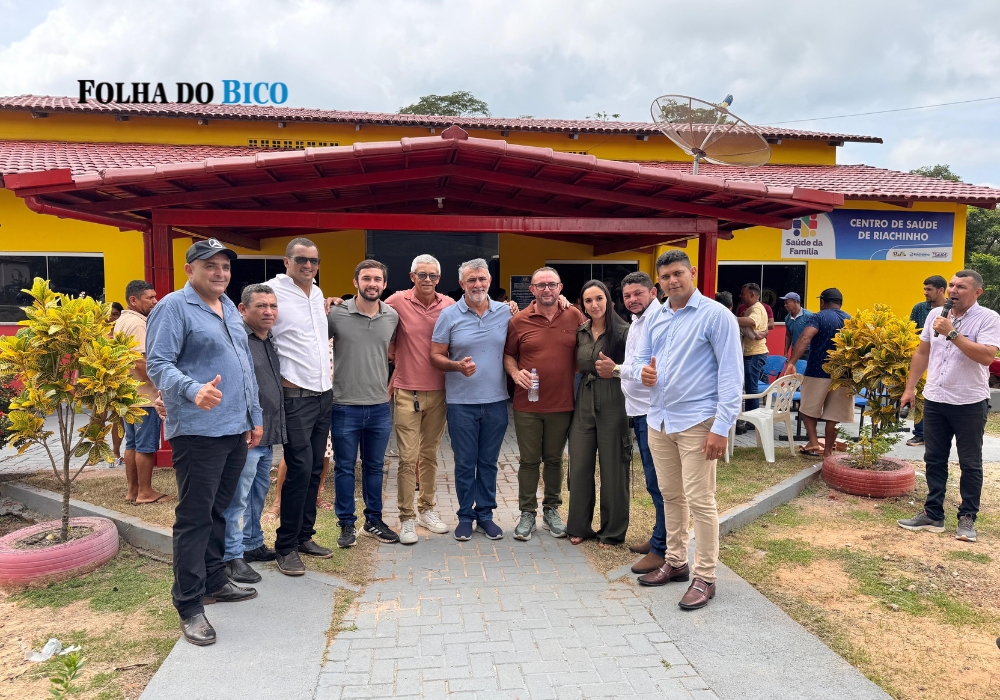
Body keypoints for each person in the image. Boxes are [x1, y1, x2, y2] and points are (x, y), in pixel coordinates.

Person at [146, 238, 263, 647]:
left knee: (219, 509)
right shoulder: (173, 308)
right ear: (189, 269)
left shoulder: (229, 306)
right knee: (195, 518)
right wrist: (193, 389)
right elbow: (157, 363)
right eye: (210, 265)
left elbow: (245, 366)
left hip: (234, 428)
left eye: (225, 266)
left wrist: (254, 415)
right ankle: (190, 604)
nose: (220, 272)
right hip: (198, 431)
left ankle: (215, 580)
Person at [625, 250, 742, 610]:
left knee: (701, 500)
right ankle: (676, 561)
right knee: (671, 495)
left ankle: (705, 577)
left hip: (698, 422)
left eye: (678, 274)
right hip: (659, 420)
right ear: (658, 281)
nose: (672, 281)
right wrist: (642, 372)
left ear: (692, 272)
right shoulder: (657, 316)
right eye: (665, 277)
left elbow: (731, 375)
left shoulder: (716, 316)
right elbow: (641, 359)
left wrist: (721, 427)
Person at [898, 270, 1000, 543]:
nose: (953, 290)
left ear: (977, 292)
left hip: (969, 401)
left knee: (970, 462)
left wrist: (952, 333)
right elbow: (923, 351)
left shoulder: (988, 318)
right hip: (935, 398)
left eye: (961, 287)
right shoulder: (935, 314)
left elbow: (987, 356)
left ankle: (967, 518)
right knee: (934, 458)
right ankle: (933, 514)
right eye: (952, 285)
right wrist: (910, 388)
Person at [267, 238, 335, 576]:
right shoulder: (272, 292)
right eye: (301, 259)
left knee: (314, 468)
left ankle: (305, 535)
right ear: (286, 261)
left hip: (323, 394)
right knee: (298, 468)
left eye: (314, 260)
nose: (308, 265)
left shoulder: (318, 293)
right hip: (294, 396)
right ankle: (286, 546)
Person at [430, 259, 512, 541]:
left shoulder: (506, 312)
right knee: (465, 463)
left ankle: (485, 515)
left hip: (496, 401)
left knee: (488, 462)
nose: (478, 285)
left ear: (489, 281)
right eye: (471, 280)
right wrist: (456, 366)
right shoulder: (449, 315)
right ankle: (465, 516)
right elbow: (435, 355)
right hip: (461, 403)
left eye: (482, 279)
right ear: (462, 284)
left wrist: (562, 300)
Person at [504, 267, 585, 541]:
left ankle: (552, 510)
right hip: (527, 405)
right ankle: (527, 513)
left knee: (554, 460)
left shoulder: (574, 315)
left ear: (560, 287)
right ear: (532, 290)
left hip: (562, 404)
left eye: (552, 284)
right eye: (541, 285)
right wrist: (515, 373)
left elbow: (589, 343)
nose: (547, 289)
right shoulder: (518, 320)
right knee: (529, 461)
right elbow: (508, 355)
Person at [328, 260, 400, 547]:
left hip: (379, 405)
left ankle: (374, 520)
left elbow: (397, 352)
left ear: (384, 284)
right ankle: (346, 524)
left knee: (374, 467)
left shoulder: (391, 316)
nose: (372, 283)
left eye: (377, 279)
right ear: (355, 282)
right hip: (344, 404)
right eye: (366, 278)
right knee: (345, 468)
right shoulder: (336, 313)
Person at [384, 255, 454, 545]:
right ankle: (406, 517)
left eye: (432, 275)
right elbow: (372, 319)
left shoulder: (449, 304)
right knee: (407, 458)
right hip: (406, 391)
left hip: (439, 391)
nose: (427, 280)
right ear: (412, 276)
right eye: (422, 275)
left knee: (429, 456)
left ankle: (427, 510)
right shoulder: (396, 301)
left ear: (439, 278)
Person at [220, 284, 286, 584]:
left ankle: (252, 543)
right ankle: (231, 556)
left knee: (257, 493)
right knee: (237, 497)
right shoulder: (236, 339)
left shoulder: (269, 339)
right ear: (242, 309)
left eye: (273, 306)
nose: (268, 311)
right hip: (246, 434)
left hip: (267, 433)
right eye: (261, 306)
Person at [566, 280, 630, 547]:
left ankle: (612, 530)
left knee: (613, 466)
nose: (594, 305)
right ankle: (579, 525)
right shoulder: (581, 332)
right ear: (582, 305)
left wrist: (617, 369)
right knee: (579, 463)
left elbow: (635, 368)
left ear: (609, 301)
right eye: (588, 300)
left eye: (599, 299)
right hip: (585, 396)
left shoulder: (625, 332)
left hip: (614, 397)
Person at [615, 272, 665, 574]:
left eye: (638, 294)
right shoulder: (638, 321)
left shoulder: (658, 321)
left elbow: (646, 369)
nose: (632, 300)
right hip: (640, 411)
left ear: (653, 292)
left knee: (659, 482)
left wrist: (615, 370)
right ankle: (660, 536)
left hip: (652, 412)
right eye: (627, 296)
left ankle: (662, 548)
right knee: (654, 480)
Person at [114, 280, 168, 504]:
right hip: (144, 397)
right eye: (150, 297)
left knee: (132, 445)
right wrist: (163, 384)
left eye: (155, 296)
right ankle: (145, 493)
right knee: (145, 447)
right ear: (133, 300)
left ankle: (133, 491)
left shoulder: (123, 320)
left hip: (129, 396)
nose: (155, 301)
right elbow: (141, 362)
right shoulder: (138, 324)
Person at [783, 289, 853, 458]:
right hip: (843, 374)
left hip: (817, 370)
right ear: (840, 303)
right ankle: (827, 452)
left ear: (822, 301)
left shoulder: (818, 317)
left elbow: (805, 338)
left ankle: (813, 441)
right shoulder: (850, 320)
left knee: (807, 408)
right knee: (834, 415)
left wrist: (791, 362)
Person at [905, 275, 948, 447]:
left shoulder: (952, 309)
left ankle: (937, 434)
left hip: (942, 360)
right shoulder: (920, 308)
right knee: (920, 394)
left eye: (929, 289)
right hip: (922, 357)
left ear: (941, 290)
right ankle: (920, 433)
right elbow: (910, 331)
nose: (925, 292)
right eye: (924, 289)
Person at [736, 283, 769, 426]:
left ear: (752, 295)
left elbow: (752, 321)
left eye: (743, 293)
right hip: (751, 353)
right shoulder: (751, 308)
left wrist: (730, 318)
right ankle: (750, 418)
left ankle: (753, 420)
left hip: (754, 354)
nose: (740, 296)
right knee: (749, 387)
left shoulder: (756, 308)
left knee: (752, 388)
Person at [109, 302, 126, 467]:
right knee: (97, 418)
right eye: (108, 314)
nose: (110, 318)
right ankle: (97, 451)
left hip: (120, 380)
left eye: (115, 314)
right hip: (98, 382)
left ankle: (116, 452)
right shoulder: (95, 333)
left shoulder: (123, 332)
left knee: (118, 418)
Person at [781, 292, 813, 364]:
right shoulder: (787, 318)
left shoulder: (809, 316)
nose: (785, 305)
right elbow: (788, 335)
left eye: (787, 303)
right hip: (795, 351)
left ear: (795, 302)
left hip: (808, 351)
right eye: (784, 303)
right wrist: (785, 352)